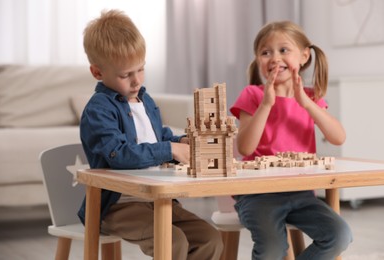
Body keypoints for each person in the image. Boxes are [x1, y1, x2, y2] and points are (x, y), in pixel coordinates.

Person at [77, 9, 223, 260]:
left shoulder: (145, 100)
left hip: (155, 198)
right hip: (117, 205)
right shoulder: (99, 109)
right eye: (126, 75)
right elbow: (119, 154)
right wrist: (170, 149)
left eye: (140, 70)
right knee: (172, 241)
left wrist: (180, 142)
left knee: (210, 238)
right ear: (98, 73)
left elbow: (157, 137)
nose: (136, 81)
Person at [230, 21, 353, 260]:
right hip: (257, 194)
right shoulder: (253, 94)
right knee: (273, 249)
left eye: (283, 50)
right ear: (258, 61)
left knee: (339, 235)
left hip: (302, 194)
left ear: (304, 56)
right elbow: (245, 147)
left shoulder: (310, 97)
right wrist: (266, 104)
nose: (274, 58)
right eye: (266, 53)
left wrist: (306, 103)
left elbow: (338, 137)